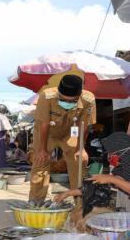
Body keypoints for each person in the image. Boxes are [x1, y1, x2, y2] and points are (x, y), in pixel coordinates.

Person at [29, 75, 96, 204]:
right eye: (64, 100)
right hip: (46, 133)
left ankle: (81, 202)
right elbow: (44, 124)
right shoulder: (46, 96)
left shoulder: (89, 99)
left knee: (78, 162)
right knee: (40, 161)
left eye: (72, 101)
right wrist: (42, 149)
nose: (67, 104)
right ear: (59, 92)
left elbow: (85, 126)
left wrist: (81, 149)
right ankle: (36, 201)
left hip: (70, 133)